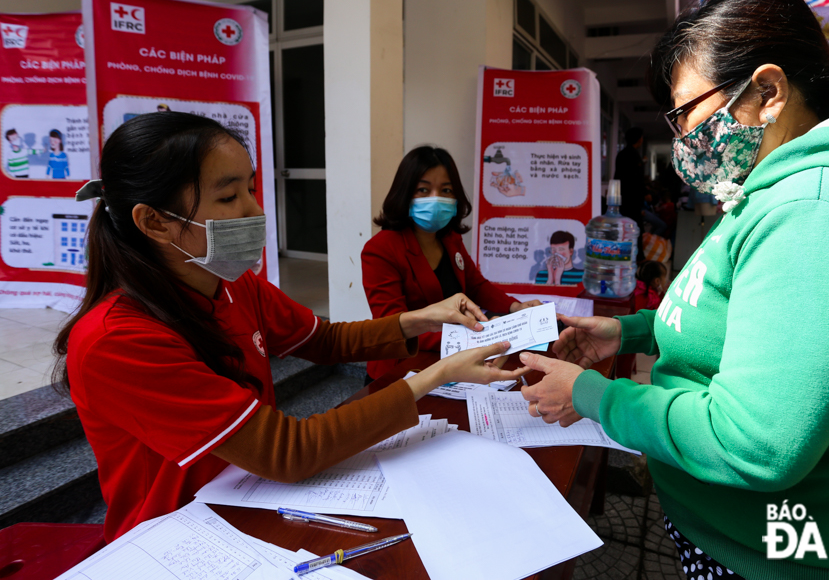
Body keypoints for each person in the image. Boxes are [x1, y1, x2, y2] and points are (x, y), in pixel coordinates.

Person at [518, 0, 829, 580]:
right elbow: (751, 322)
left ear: (769, 91)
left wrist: (591, 396)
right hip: (741, 536)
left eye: (684, 112)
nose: (680, 139)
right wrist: (629, 331)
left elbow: (753, 444)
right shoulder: (782, 193)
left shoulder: (825, 212)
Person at [55, 114, 527, 542]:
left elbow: (324, 340)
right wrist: (434, 375)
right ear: (153, 221)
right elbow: (286, 450)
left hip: (254, 498)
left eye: (251, 189)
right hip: (179, 533)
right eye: (228, 196)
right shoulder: (118, 340)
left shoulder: (236, 284)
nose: (253, 210)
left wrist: (420, 317)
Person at [361, 145, 539, 382]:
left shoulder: (450, 239)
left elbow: (476, 286)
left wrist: (515, 307)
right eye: (423, 190)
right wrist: (474, 336)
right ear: (404, 193)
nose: (436, 198)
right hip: (403, 371)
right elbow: (393, 327)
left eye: (446, 190)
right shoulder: (380, 249)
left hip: (453, 364)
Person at [614, 127, 645, 224]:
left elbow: (618, 176)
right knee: (634, 227)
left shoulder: (621, 154)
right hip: (632, 199)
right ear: (639, 139)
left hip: (622, 197)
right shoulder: (634, 156)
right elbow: (637, 179)